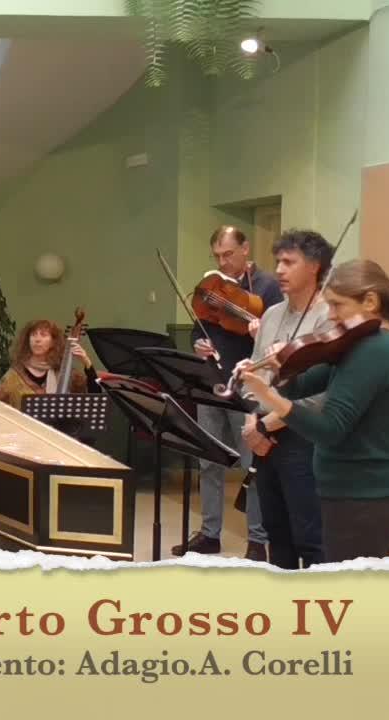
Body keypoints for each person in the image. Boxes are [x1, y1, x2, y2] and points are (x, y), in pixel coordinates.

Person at [238, 259, 389, 563]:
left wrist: (267, 396)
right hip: (350, 492)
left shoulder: (378, 350)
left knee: (346, 588)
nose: (331, 315)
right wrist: (282, 367)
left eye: (337, 305)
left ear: (371, 301)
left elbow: (329, 429)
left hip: (365, 497)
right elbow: (299, 387)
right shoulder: (360, 343)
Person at [175, 225, 281, 561]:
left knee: (253, 465)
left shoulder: (268, 287)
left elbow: (280, 338)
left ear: (245, 249)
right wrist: (198, 343)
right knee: (209, 461)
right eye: (217, 256)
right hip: (211, 380)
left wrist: (260, 333)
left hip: (248, 385)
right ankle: (210, 534)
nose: (222, 263)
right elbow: (200, 324)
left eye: (229, 254)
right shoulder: (213, 288)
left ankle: (258, 540)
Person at [238, 230, 334, 569]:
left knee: (309, 535)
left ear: (314, 266)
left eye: (289, 262)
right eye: (278, 261)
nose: (279, 269)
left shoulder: (327, 317)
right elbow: (254, 377)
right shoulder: (271, 314)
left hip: (301, 437)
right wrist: (252, 422)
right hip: (263, 437)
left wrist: (265, 425)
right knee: (275, 532)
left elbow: (321, 395)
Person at [0, 318, 98, 409]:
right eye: (33, 335)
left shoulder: (62, 372)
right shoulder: (14, 375)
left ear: (53, 342)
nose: (37, 340)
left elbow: (94, 394)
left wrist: (86, 361)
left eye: (43, 335)